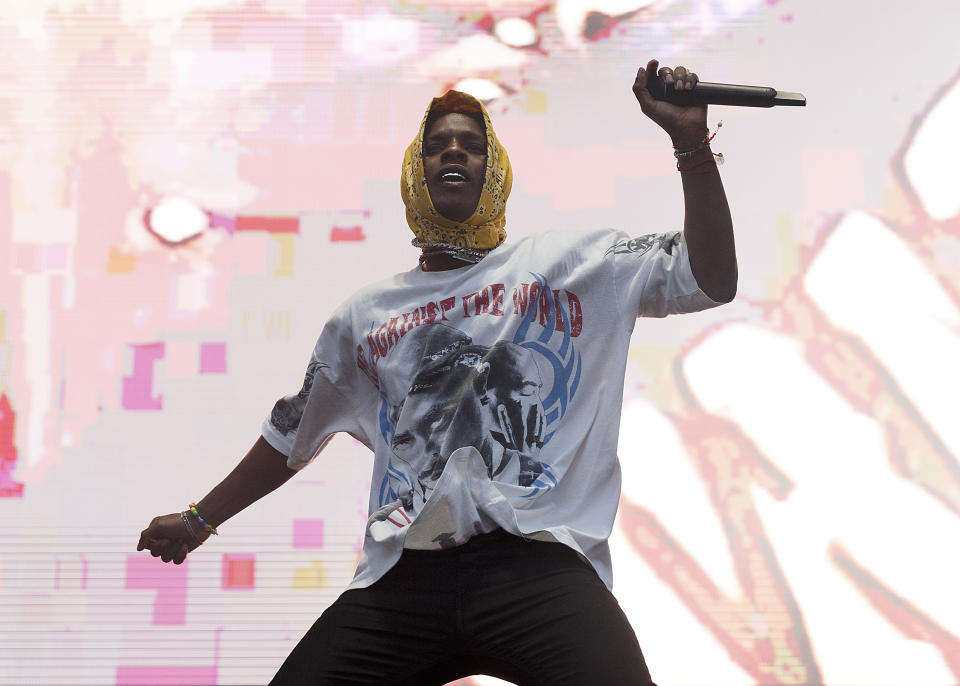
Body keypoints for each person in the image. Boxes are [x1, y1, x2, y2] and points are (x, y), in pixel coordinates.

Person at [137, 58, 737, 685]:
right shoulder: (366, 315)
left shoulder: (570, 264)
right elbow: (291, 433)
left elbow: (710, 278)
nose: (455, 153)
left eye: (473, 145)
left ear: (494, 169)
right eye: (437, 146)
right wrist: (201, 518)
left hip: (536, 567)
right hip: (406, 577)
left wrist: (690, 146)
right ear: (414, 173)